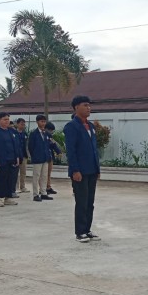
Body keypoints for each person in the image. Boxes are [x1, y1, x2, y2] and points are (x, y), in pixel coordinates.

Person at [64, 95, 101, 243]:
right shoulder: (71, 127)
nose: (88, 108)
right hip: (80, 171)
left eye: (89, 105)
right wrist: (75, 170)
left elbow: (94, 150)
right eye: (85, 105)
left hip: (92, 169)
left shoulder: (90, 126)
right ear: (76, 107)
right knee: (81, 201)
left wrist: (97, 169)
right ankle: (80, 232)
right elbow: (71, 151)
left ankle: (87, 229)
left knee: (90, 202)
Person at [0, 112, 21, 207]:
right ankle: (0, 198)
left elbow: (16, 145)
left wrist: (17, 157)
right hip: (0, 161)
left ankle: (8, 197)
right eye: (5, 119)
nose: (7, 121)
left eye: (8, 119)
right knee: (0, 180)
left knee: (10, 180)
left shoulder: (12, 131)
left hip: (11, 160)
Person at [28, 115, 54, 202]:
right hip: (37, 158)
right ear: (37, 122)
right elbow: (30, 147)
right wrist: (34, 155)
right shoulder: (33, 134)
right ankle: (35, 194)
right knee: (36, 177)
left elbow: (49, 145)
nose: (43, 123)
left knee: (44, 176)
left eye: (44, 121)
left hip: (45, 158)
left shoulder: (46, 134)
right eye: (41, 121)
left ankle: (43, 193)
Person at [44, 122, 62, 195]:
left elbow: (54, 144)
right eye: (50, 130)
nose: (51, 132)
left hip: (50, 157)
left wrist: (58, 152)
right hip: (44, 157)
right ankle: (43, 188)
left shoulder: (50, 136)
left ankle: (48, 187)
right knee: (44, 174)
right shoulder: (43, 135)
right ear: (46, 129)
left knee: (48, 173)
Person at [15, 118, 30, 194]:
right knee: (16, 172)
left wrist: (28, 154)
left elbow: (27, 145)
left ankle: (22, 186)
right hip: (16, 156)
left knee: (23, 172)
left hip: (24, 155)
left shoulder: (25, 134)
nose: (23, 126)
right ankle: (16, 187)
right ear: (17, 124)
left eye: (24, 124)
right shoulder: (14, 133)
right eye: (21, 124)